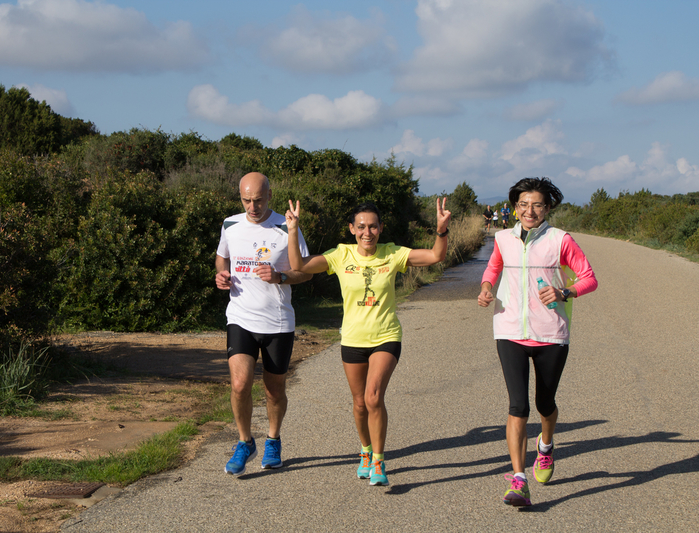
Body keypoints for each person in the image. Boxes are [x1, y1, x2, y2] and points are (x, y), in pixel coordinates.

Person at [285, 198, 451, 486]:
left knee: (374, 397)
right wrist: (292, 230)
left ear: (381, 228)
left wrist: (441, 230)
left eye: (373, 226)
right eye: (361, 226)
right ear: (351, 228)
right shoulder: (340, 255)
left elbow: (436, 256)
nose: (367, 232)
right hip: (352, 339)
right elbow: (298, 265)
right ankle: (364, 450)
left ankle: (378, 460)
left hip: (386, 336)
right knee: (360, 403)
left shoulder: (393, 254)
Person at [477, 177, 598, 506]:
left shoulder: (561, 240)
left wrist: (565, 291)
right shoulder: (503, 238)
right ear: (514, 207)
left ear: (547, 208)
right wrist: (487, 287)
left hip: (550, 333)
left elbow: (589, 279)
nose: (530, 211)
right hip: (510, 329)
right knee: (518, 406)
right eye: (523, 204)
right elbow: (493, 268)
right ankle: (518, 479)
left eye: (538, 205)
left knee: (545, 404)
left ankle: (545, 446)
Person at [215, 172, 312, 475]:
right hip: (240, 317)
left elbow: (306, 271)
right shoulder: (230, 224)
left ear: (269, 196)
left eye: (258, 200)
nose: (252, 207)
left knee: (274, 390)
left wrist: (280, 276)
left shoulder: (286, 227)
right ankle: (245, 442)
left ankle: (273, 439)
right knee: (240, 384)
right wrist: (221, 274)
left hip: (278, 321)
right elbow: (222, 258)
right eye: (246, 200)